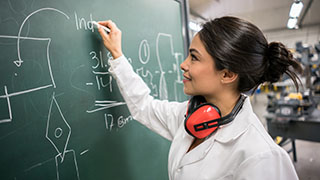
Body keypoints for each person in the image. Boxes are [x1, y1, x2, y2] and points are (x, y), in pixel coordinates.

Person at [96, 16, 302, 180]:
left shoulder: (261, 156)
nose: (183, 64)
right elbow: (144, 107)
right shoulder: (191, 116)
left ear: (227, 74)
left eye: (194, 57)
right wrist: (117, 55)